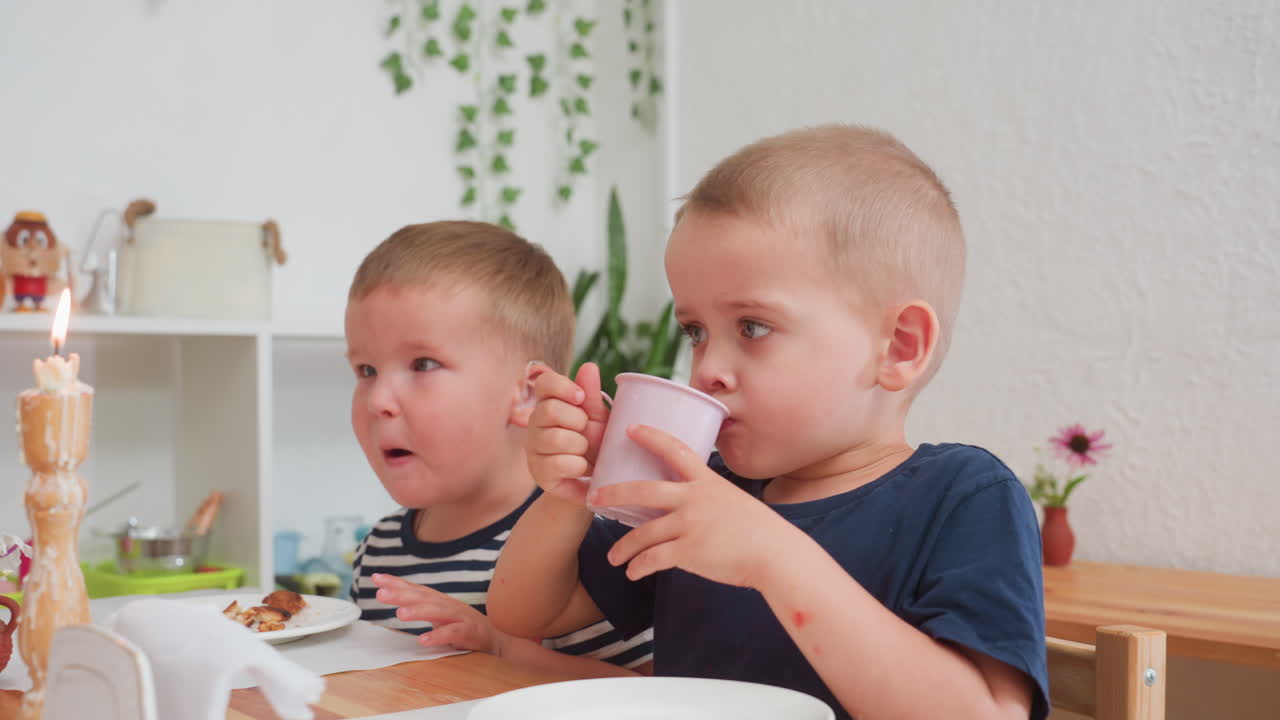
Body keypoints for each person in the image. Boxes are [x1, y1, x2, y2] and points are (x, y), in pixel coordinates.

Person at [489, 125, 1048, 719]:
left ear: (899, 347)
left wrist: (773, 558)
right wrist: (571, 494)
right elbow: (526, 615)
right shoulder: (703, 488)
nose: (707, 369)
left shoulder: (964, 498)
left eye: (753, 327)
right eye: (696, 332)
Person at [345, 221, 653, 675]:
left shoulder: (580, 544)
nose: (378, 401)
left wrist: (499, 649)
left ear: (527, 394)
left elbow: (653, 696)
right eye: (366, 369)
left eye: (423, 364)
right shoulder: (378, 550)